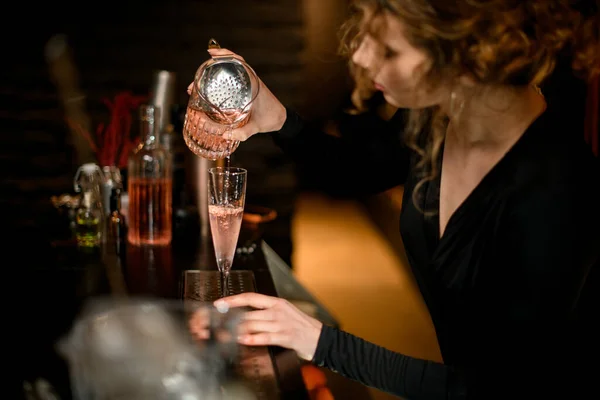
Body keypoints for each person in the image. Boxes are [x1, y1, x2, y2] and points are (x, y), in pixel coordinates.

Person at [190, 0, 600, 398]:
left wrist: (319, 342)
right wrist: (275, 117)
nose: (363, 57)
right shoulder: (441, 114)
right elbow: (357, 170)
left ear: (464, 49)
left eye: (388, 48)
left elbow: (495, 387)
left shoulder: (557, 188)